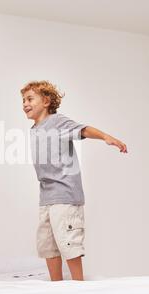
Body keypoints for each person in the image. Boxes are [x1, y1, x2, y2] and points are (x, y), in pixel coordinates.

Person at [21, 81, 128, 280]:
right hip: (46, 196)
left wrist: (106, 137)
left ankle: (79, 287)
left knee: (68, 242)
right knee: (47, 244)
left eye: (29, 99)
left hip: (65, 194)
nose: (25, 104)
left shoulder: (57, 121)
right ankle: (57, 287)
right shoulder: (34, 128)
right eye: (23, 100)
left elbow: (84, 129)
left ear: (45, 101)